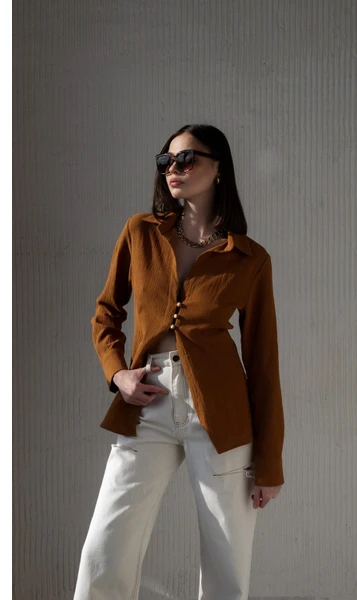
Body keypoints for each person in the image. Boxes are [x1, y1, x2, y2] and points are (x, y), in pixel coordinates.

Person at [73, 123, 285, 600]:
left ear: (218, 169)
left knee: (227, 559)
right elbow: (106, 313)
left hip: (221, 413)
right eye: (166, 160)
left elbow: (264, 364)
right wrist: (117, 374)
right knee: (105, 547)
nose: (174, 168)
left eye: (187, 159)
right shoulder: (140, 232)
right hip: (147, 401)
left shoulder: (249, 258)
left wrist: (269, 463)